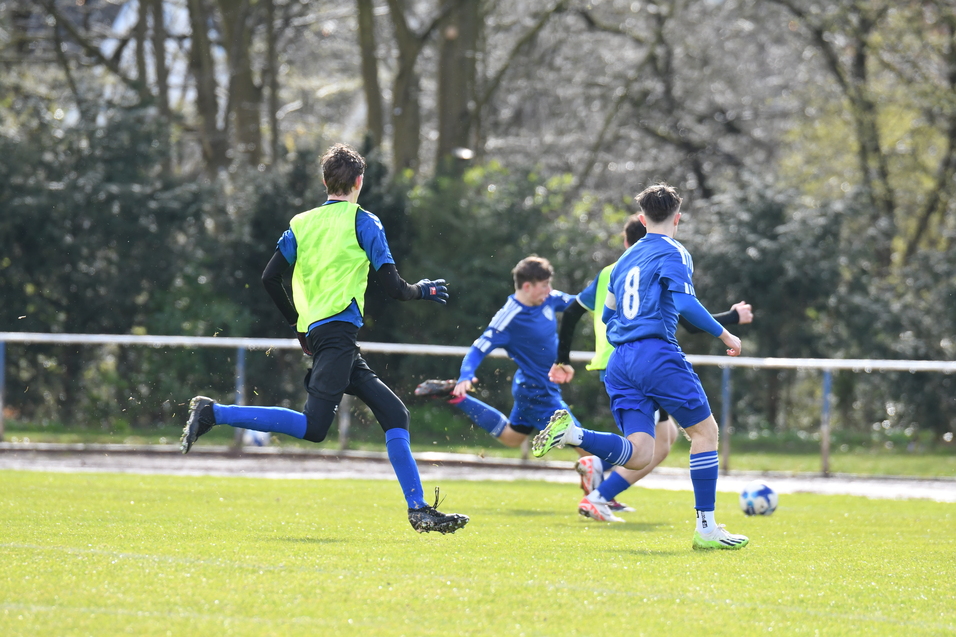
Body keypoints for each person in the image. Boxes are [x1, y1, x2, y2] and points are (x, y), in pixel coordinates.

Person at [180, 143, 469, 535]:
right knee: (314, 427)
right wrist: (425, 290)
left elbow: (269, 278)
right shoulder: (365, 221)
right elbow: (395, 288)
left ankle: (418, 509)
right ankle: (215, 413)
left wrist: (299, 324)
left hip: (328, 335)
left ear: (324, 182)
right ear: (359, 182)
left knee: (395, 414)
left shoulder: (301, 223)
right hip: (336, 335)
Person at [532, 183, 749, 550]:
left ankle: (573, 436)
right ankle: (707, 528)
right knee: (705, 433)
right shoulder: (675, 252)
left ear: (642, 219)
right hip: (656, 354)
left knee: (641, 453)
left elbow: (608, 314)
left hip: (620, 361)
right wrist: (725, 334)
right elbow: (684, 303)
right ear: (677, 219)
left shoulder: (622, 262)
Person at [414, 256, 597, 465]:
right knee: (591, 450)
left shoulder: (549, 299)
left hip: (535, 385)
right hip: (537, 391)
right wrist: (466, 374)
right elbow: (478, 347)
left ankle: (456, 396)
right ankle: (599, 495)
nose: (549, 289)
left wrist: (606, 289)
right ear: (527, 286)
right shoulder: (509, 317)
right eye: (545, 285)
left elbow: (580, 302)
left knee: (512, 437)